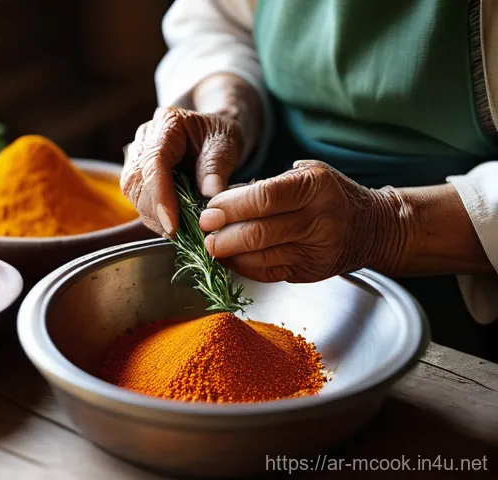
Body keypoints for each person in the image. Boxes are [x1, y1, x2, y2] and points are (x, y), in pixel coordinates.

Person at [121, 0, 498, 359]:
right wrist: (226, 113)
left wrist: (390, 226)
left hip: (457, 243)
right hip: (269, 190)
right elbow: (218, 22)